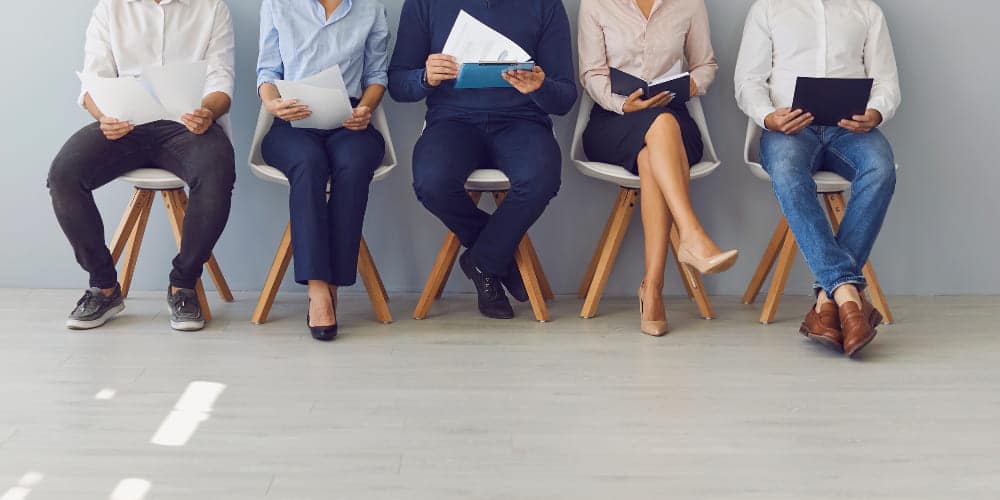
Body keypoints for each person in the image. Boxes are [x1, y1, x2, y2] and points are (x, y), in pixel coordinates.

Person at [48, 0, 236, 332]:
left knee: (217, 170)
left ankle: (183, 285)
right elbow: (92, 82)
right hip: (124, 124)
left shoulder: (211, 8)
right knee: (64, 174)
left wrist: (207, 111)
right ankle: (104, 287)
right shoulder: (110, 8)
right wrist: (104, 117)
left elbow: (221, 79)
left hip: (187, 125)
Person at [388, 0, 577, 320]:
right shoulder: (425, 4)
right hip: (452, 121)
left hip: (522, 121)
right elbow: (398, 84)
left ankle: (483, 262)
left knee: (541, 178)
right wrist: (425, 77)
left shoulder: (545, 5)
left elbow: (565, 97)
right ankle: (498, 259)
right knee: (431, 181)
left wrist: (540, 87)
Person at [735, 0, 900, 357]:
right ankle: (848, 296)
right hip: (789, 129)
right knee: (788, 174)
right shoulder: (768, 9)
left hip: (849, 129)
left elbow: (887, 81)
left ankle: (829, 299)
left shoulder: (866, 10)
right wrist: (768, 116)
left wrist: (876, 112)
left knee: (881, 169)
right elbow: (748, 80)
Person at [578, 0, 739, 337]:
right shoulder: (595, 3)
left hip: (674, 119)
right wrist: (622, 103)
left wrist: (691, 85)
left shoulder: (689, 3)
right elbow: (591, 73)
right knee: (657, 133)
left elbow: (705, 65)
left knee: (653, 152)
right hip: (615, 118)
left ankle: (652, 287)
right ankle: (690, 235)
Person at [257, 0, 390, 341]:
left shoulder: (371, 8)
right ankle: (318, 289)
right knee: (309, 162)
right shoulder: (277, 4)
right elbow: (268, 72)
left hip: (349, 120)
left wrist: (365, 108)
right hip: (292, 122)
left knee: (354, 162)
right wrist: (273, 103)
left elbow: (376, 76)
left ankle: (334, 285)